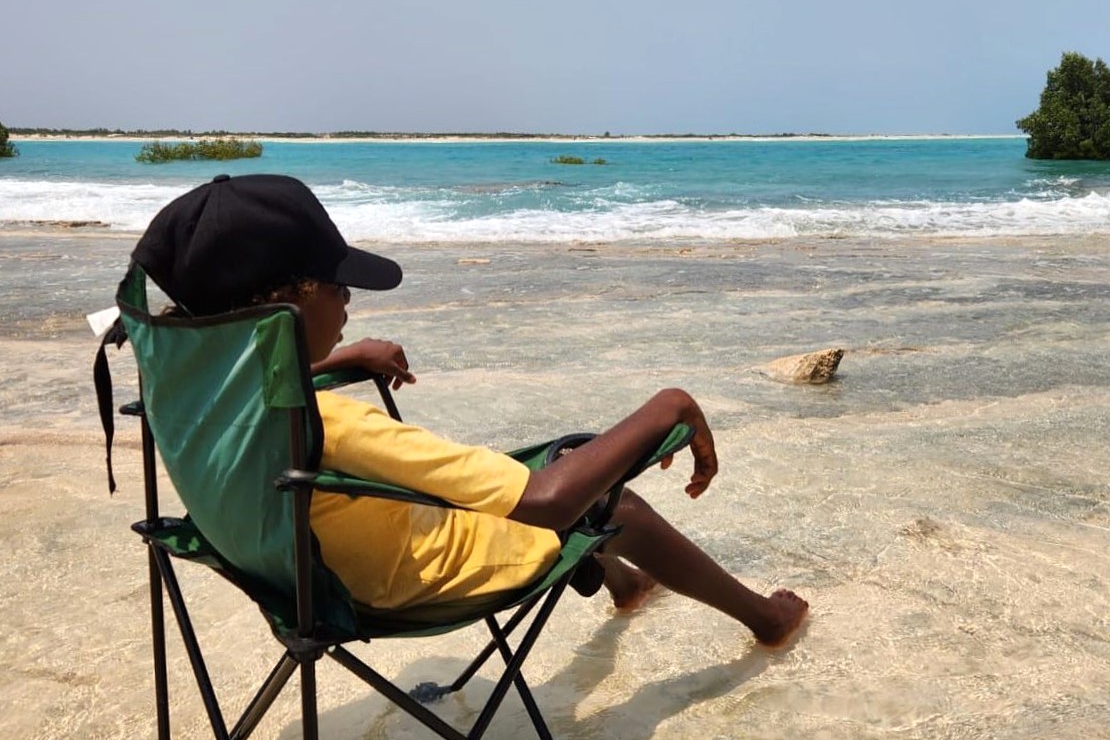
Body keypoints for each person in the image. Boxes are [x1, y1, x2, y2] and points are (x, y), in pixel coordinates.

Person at [132, 173, 808, 646]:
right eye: (338, 286)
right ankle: (765, 620)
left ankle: (626, 587)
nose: (349, 303)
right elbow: (544, 502)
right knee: (600, 495)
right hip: (398, 584)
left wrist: (334, 362)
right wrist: (670, 405)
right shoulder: (336, 427)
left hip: (298, 574)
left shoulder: (191, 395)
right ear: (296, 295)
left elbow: (270, 384)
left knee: (569, 468)